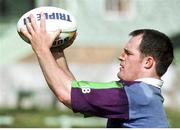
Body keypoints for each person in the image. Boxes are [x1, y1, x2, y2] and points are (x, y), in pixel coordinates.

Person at [20, 13, 174, 128]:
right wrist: (57, 51)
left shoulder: (135, 95)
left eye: (128, 53)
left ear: (148, 62)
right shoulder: (141, 93)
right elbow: (74, 90)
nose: (121, 57)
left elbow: (67, 94)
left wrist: (41, 48)